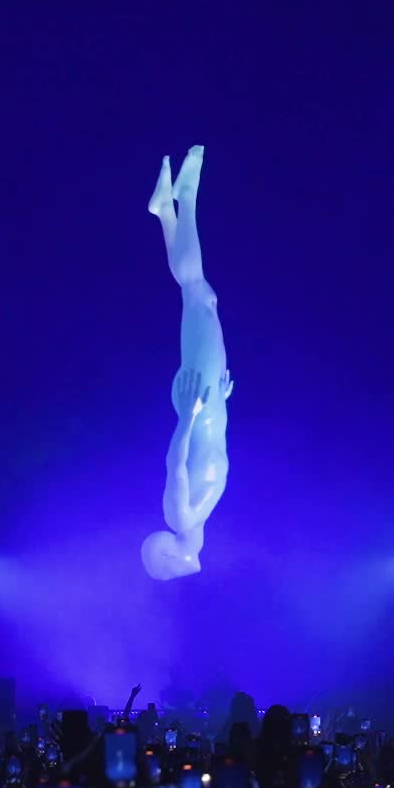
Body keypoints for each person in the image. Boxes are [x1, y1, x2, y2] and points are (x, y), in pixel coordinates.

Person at [142, 146, 233, 581]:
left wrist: (188, 416)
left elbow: (176, 463)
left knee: (199, 294)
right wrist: (218, 405)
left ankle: (187, 196)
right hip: (209, 400)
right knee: (199, 295)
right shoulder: (197, 519)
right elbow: (211, 448)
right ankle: (165, 210)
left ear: (167, 558)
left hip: (197, 400)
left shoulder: (180, 516)